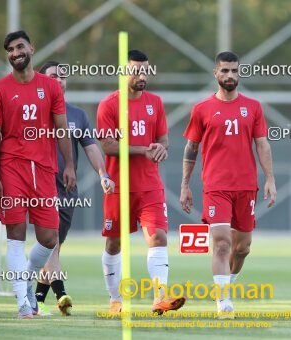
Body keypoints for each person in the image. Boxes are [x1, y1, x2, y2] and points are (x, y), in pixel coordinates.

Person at [0, 30, 76, 319]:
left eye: (19, 46)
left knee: (50, 239)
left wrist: (69, 165)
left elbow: (62, 129)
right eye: (9, 49)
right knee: (16, 234)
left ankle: (24, 282)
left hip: (45, 170)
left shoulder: (50, 87)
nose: (15, 52)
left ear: (31, 48)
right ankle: (24, 303)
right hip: (12, 168)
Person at [180, 51, 276, 319]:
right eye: (225, 71)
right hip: (215, 187)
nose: (230, 75)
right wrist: (185, 185)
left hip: (246, 187)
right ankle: (223, 301)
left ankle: (227, 283)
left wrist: (270, 179)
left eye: (234, 71)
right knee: (221, 243)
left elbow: (262, 144)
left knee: (241, 248)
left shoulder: (253, 107)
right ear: (216, 73)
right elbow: (191, 148)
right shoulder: (201, 109)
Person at [97, 50, 185, 314]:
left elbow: (164, 140)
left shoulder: (155, 102)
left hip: (150, 186)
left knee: (158, 237)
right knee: (114, 243)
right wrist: (143, 149)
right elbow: (108, 145)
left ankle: (160, 299)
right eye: (136, 70)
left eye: (146, 70)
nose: (142, 75)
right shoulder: (109, 105)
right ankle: (115, 300)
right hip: (119, 188)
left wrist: (160, 148)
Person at [33, 61, 114, 317]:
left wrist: (103, 174)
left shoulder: (77, 115)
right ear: (42, 81)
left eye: (63, 77)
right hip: (40, 187)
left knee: (55, 246)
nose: (59, 81)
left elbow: (91, 147)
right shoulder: (33, 113)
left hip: (68, 191)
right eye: (53, 76)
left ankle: (36, 301)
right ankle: (61, 294)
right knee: (51, 243)